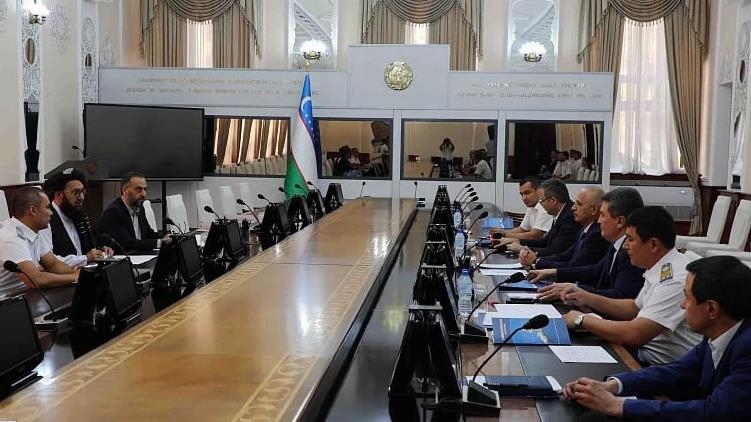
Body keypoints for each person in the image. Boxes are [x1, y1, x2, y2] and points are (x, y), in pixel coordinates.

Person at [564, 255, 751, 421]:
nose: (682, 305)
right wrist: (612, 386)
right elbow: (676, 371)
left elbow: (714, 412)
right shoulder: (718, 331)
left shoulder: (747, 348)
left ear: (711, 309)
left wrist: (617, 405)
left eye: (687, 297)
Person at [562, 206, 702, 365]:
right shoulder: (661, 265)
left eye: (630, 239)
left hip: (659, 367)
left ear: (653, 245)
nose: (625, 246)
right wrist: (586, 297)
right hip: (641, 355)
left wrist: (582, 319)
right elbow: (634, 308)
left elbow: (634, 334)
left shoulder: (674, 280)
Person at [531, 187, 645, 300]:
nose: (599, 221)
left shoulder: (631, 251)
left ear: (620, 221)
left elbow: (620, 296)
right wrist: (554, 273)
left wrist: (576, 291)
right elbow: (595, 270)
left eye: (602, 215)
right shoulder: (616, 244)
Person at [0, 187, 79, 296]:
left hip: (23, 296)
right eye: (47, 207)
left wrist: (77, 273)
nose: (51, 213)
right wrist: (74, 277)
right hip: (5, 300)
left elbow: (52, 264)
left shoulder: (35, 231)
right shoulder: (11, 238)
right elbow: (35, 280)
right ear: (33, 210)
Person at [519, 186, 609, 269]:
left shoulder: (596, 234)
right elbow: (565, 255)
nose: (573, 207)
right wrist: (536, 259)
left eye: (579, 204)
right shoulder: (584, 229)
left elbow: (574, 266)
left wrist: (536, 261)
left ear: (593, 209)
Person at [40, 168, 113, 267]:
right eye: (76, 192)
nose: (81, 197)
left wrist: (101, 251)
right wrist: (85, 258)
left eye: (83, 192)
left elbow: (89, 248)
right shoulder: (46, 220)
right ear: (59, 194)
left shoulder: (78, 214)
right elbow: (49, 261)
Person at [501, 178, 580, 257]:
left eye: (542, 201)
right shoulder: (561, 213)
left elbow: (554, 252)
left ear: (553, 200)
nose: (541, 205)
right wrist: (517, 241)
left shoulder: (569, 218)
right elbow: (545, 241)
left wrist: (522, 249)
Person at [98, 171, 169, 253]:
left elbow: (148, 233)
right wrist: (159, 243)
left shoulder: (139, 207)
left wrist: (166, 237)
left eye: (145, 189)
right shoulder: (114, 212)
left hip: (140, 255)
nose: (143, 194)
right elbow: (127, 243)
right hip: (124, 258)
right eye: (138, 189)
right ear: (124, 190)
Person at [489, 176, 552, 241]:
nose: (524, 198)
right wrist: (502, 232)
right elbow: (522, 229)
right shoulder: (531, 206)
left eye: (527, 193)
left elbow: (534, 236)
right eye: (522, 194)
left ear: (539, 191)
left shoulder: (545, 207)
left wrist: (504, 235)